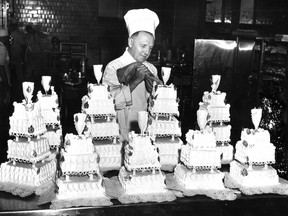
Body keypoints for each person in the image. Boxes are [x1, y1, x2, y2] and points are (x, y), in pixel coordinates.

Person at [103, 8, 162, 141]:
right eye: (143, 46)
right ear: (130, 42)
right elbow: (108, 104)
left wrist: (159, 91)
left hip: (143, 136)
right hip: (119, 136)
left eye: (150, 48)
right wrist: (134, 81)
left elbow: (156, 107)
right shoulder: (113, 67)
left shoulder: (151, 69)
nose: (147, 52)